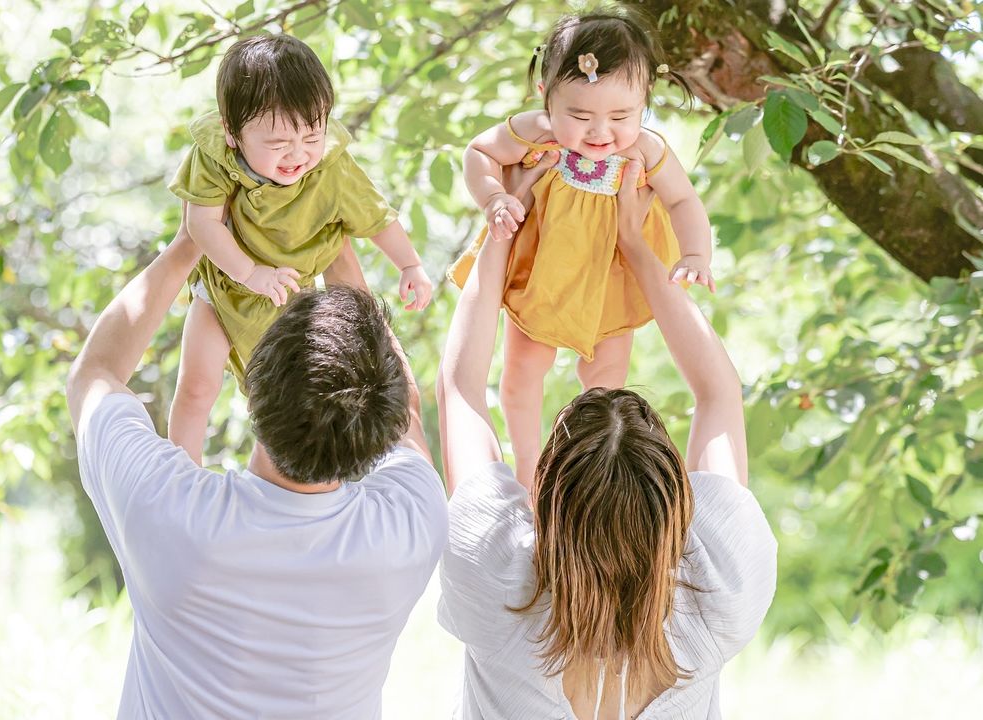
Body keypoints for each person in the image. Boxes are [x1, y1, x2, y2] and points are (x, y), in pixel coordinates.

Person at [66, 213, 447, 720]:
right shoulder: (412, 528)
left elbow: (95, 374)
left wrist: (188, 243)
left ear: (252, 385)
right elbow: (408, 411)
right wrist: (332, 240)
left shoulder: (166, 511)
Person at [435, 157, 777, 719]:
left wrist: (503, 233)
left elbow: (461, 391)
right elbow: (719, 395)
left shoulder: (498, 578)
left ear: (544, 491)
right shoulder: (721, 590)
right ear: (680, 503)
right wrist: (637, 247)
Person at [449, 6, 714, 489]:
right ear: (545, 96)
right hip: (541, 278)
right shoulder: (535, 132)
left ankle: (593, 474)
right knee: (522, 374)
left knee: (607, 381)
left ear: (644, 104)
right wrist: (495, 197)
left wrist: (695, 255)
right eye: (580, 115)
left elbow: (683, 200)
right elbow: (479, 153)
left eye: (620, 115)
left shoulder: (646, 151)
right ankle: (529, 471)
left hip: (611, 283)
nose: (599, 132)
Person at [168, 33, 433, 464]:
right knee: (196, 386)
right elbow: (199, 223)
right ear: (232, 133)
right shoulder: (215, 158)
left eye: (311, 136)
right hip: (223, 290)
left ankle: (290, 485)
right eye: (277, 144)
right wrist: (250, 272)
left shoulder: (329, 167)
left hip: (290, 304)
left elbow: (376, 216)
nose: (297, 154)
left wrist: (410, 264)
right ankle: (179, 468)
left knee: (283, 406)